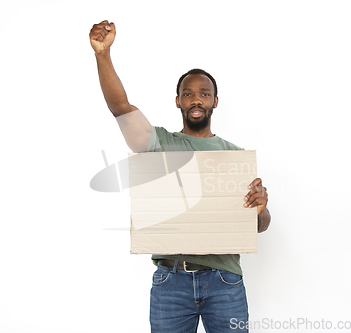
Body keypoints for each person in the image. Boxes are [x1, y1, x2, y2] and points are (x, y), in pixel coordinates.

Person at [90, 19, 271, 333]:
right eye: (188, 94)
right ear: (178, 101)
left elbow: (259, 225)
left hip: (224, 280)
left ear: (215, 101)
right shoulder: (160, 144)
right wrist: (102, 55)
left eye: (204, 94)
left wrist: (261, 208)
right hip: (171, 281)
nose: (196, 99)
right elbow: (121, 108)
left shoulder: (235, 156)